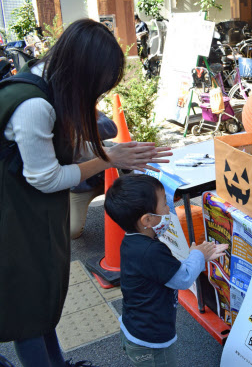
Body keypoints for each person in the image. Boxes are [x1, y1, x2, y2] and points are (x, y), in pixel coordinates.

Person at [0, 19, 172, 367]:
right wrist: (109, 158)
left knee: (42, 297)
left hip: (31, 213)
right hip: (13, 219)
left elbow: (61, 150)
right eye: (97, 87)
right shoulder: (33, 105)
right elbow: (45, 178)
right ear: (81, 74)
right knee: (28, 308)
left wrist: (113, 151)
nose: (97, 96)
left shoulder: (45, 82)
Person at [104, 174, 228, 366]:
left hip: (135, 328)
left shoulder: (132, 241)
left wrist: (198, 257)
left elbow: (166, 270)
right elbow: (184, 279)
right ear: (147, 220)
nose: (169, 209)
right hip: (150, 343)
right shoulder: (152, 251)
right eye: (164, 205)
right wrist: (198, 255)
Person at [70, 110, 118, 239]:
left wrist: (76, 128)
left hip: (108, 177)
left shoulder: (82, 108)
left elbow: (111, 128)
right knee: (72, 231)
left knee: (137, 202)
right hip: (79, 187)